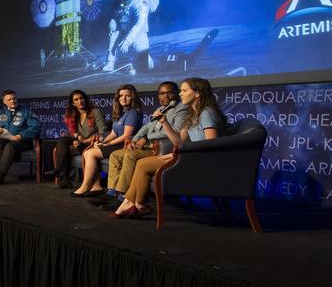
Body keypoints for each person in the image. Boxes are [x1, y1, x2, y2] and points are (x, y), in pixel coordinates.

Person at [113, 77, 225, 218]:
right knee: (142, 163)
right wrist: (165, 122)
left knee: (143, 164)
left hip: (200, 162)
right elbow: (179, 142)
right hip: (190, 156)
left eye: (184, 90)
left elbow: (211, 145)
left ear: (197, 93)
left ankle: (133, 204)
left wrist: (180, 154)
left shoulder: (207, 112)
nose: (180, 94)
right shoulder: (193, 113)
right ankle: (135, 204)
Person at [94, 81, 189, 206]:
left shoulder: (181, 109)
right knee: (116, 155)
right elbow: (146, 127)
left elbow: (175, 132)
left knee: (130, 155)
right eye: (162, 93)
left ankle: (122, 196)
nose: (165, 96)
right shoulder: (160, 109)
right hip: (150, 144)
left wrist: (147, 137)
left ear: (176, 93)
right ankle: (112, 192)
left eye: (169, 93)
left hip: (163, 147)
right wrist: (135, 140)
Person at [72, 84, 142, 196]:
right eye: (121, 96)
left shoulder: (133, 112)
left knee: (89, 153)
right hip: (116, 142)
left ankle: (86, 185)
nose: (123, 98)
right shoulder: (121, 112)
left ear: (133, 97)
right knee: (89, 151)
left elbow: (126, 135)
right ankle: (96, 186)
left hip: (124, 145)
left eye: (127, 96)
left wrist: (107, 144)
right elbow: (114, 133)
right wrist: (103, 142)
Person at [43, 90, 106, 185]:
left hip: (92, 143)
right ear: (73, 103)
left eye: (81, 98)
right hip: (80, 141)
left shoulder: (95, 111)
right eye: (76, 99)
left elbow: (103, 132)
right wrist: (76, 140)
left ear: (85, 99)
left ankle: (61, 173)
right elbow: (73, 132)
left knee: (65, 148)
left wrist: (85, 140)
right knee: (63, 140)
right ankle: (61, 173)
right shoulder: (73, 114)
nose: (80, 101)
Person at [0, 89, 41, 186]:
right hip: (4, 139)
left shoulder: (26, 112)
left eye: (14, 98)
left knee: (10, 146)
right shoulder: (0, 113)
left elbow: (36, 127)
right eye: (9, 99)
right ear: (4, 102)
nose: (12, 101)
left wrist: (21, 135)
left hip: (22, 141)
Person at [104, 0, 153, 73]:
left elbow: (140, 23)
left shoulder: (141, 0)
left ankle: (149, 62)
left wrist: (127, 41)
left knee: (143, 65)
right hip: (123, 30)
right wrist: (112, 23)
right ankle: (110, 63)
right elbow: (115, 15)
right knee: (114, 34)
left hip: (138, 34)